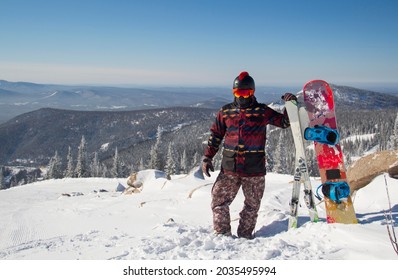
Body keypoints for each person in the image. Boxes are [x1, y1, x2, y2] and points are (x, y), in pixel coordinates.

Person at [201, 71, 296, 239]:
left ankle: (245, 238)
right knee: (218, 201)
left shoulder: (262, 111)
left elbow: (284, 122)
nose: (242, 96)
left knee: (252, 205)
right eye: (238, 92)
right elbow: (216, 135)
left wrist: (290, 105)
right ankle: (223, 236)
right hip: (230, 167)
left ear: (252, 92)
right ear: (233, 92)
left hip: (254, 168)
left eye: (246, 93)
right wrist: (208, 157)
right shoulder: (225, 112)